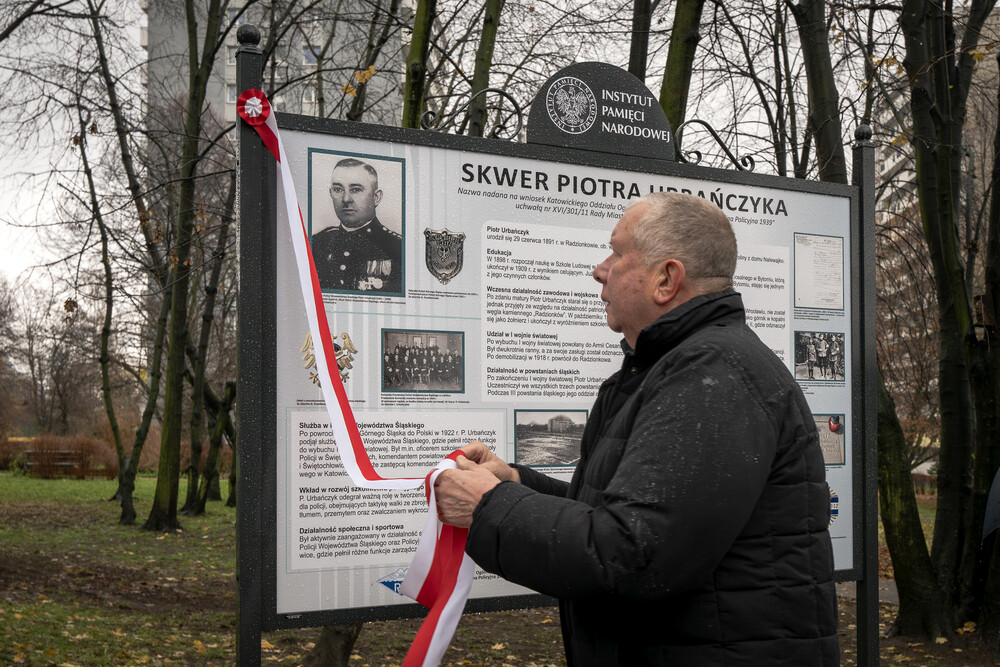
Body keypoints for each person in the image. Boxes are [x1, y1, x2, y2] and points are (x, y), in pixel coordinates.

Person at [435, 192, 838, 665]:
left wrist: (489, 506)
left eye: (616, 253)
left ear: (666, 279)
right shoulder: (672, 369)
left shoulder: (713, 375)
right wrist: (519, 484)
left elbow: (631, 555)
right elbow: (633, 515)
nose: (599, 270)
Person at [312, 158, 402, 293]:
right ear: (330, 193)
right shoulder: (316, 244)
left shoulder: (398, 247)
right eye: (338, 189)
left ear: (376, 197)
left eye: (355, 189)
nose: (346, 199)